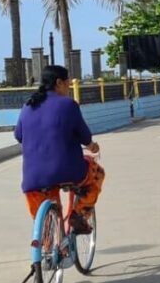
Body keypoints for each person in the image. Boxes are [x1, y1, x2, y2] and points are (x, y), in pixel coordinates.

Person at [16, 65, 104, 234]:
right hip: (69, 172)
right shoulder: (68, 105)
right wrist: (92, 146)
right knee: (97, 174)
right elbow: (85, 137)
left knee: (46, 204)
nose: (69, 88)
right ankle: (78, 215)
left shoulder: (28, 105)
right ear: (58, 83)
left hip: (32, 179)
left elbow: (19, 135)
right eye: (67, 84)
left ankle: (47, 241)